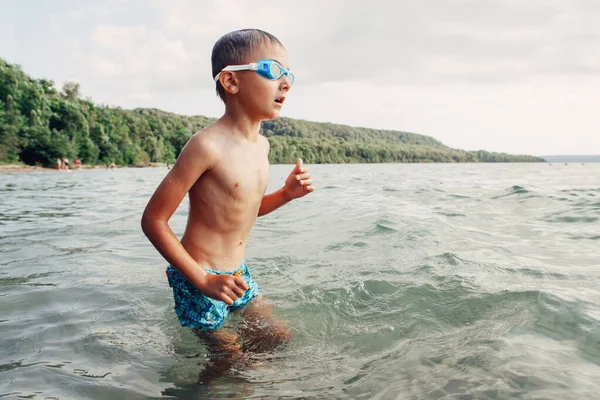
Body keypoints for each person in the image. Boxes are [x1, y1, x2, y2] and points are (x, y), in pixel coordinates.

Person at [141, 29, 314, 379]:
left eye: (289, 75)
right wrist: (203, 279)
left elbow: (244, 209)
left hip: (238, 274)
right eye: (271, 70)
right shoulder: (206, 146)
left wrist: (285, 195)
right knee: (233, 363)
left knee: (278, 339)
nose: (285, 83)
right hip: (197, 276)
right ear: (231, 81)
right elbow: (153, 220)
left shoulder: (262, 146)